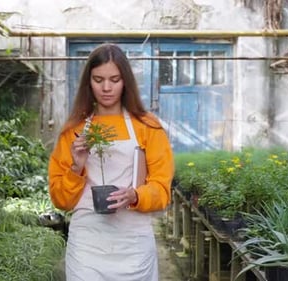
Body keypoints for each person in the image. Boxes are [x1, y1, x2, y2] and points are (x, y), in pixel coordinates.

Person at [48, 43, 174, 281]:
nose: (106, 88)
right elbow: (60, 200)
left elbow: (162, 190)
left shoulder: (148, 126)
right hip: (87, 244)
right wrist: (76, 167)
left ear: (125, 81)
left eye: (114, 80)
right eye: (98, 80)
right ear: (89, 82)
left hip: (133, 244)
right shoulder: (73, 131)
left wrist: (136, 195)